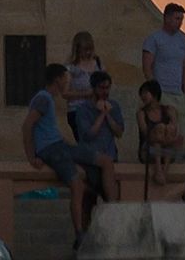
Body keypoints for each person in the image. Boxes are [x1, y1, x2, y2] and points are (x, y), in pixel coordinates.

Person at [22, 64, 118, 249]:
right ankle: (80, 233)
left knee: (104, 162)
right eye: (66, 78)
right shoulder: (42, 98)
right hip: (52, 149)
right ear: (58, 79)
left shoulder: (48, 99)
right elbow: (27, 126)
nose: (68, 82)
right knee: (76, 184)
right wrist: (32, 156)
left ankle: (112, 210)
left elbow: (47, 128)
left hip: (60, 145)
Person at [142, 2, 185, 136]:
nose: (180, 22)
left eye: (181, 19)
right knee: (165, 131)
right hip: (163, 93)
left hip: (179, 94)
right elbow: (147, 67)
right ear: (167, 18)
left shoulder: (182, 40)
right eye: (177, 19)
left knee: (182, 132)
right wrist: (156, 93)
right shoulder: (154, 39)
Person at [137, 79, 182, 185]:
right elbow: (145, 133)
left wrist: (165, 141)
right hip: (148, 149)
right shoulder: (141, 113)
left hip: (167, 149)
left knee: (168, 129)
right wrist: (160, 137)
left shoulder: (169, 110)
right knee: (160, 129)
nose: (142, 96)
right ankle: (158, 170)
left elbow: (175, 132)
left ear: (154, 93)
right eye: (141, 94)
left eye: (145, 93)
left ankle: (163, 173)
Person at [74, 71, 125, 161]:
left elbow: (119, 133)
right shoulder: (83, 109)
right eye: (101, 88)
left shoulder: (114, 105)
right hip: (90, 156)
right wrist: (102, 114)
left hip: (110, 155)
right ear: (93, 88)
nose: (105, 91)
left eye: (107, 88)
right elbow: (88, 135)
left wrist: (108, 114)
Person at [63, 31, 104, 142]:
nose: (88, 52)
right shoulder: (71, 68)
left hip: (95, 109)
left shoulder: (97, 63)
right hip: (77, 109)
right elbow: (65, 93)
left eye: (90, 49)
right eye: (85, 50)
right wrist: (86, 93)